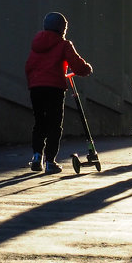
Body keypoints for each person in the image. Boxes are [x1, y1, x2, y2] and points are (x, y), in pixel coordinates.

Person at [25, 12, 93, 174]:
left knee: (40, 122)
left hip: (36, 88)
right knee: (54, 124)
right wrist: (86, 69)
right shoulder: (64, 44)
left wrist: (33, 83)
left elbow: (29, 66)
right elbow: (76, 64)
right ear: (62, 28)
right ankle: (50, 161)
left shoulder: (36, 44)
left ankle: (36, 156)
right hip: (54, 88)